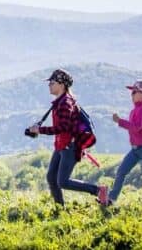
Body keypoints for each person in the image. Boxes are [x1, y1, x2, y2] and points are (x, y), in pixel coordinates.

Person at [27, 68, 108, 206]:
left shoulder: (66, 103)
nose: (49, 85)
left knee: (63, 181)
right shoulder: (60, 102)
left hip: (70, 146)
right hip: (61, 146)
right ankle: (60, 209)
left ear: (61, 85)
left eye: (52, 82)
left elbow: (63, 128)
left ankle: (98, 190)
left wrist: (39, 130)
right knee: (52, 178)